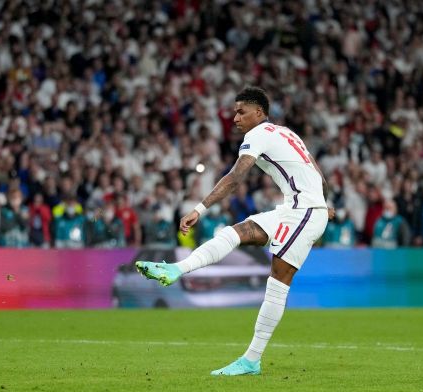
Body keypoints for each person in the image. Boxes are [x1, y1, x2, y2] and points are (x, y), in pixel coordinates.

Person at [136, 87, 334, 376]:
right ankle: (177, 269)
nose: (235, 118)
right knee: (235, 232)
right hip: (296, 209)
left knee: (278, 281)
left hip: (304, 212)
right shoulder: (286, 133)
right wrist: (324, 204)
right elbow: (320, 177)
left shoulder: (258, 134)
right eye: (234, 112)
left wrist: (199, 209)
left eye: (242, 112)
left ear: (259, 112)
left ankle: (251, 360)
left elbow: (235, 178)